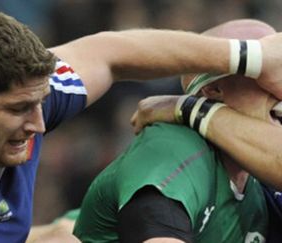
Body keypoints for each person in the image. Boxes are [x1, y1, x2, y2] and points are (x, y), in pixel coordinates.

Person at [0, 10, 282, 242]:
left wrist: (252, 59)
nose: (40, 124)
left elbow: (114, 51)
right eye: (20, 110)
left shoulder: (26, 90)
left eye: (42, 104)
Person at [73, 19, 275, 242]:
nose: (280, 88)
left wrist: (189, 108)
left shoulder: (260, 183)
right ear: (213, 89)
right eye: (265, 74)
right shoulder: (174, 147)